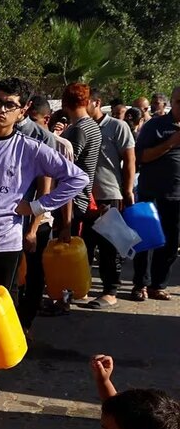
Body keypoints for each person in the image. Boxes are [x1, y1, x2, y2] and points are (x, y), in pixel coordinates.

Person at [0, 77, 87, 406]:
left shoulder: (30, 149)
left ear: (22, 111)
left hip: (4, 241)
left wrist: (36, 208)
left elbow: (77, 178)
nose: (1, 110)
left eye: (10, 105)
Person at [86, 86, 137, 310]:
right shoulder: (81, 127)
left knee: (109, 247)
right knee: (85, 245)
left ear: (96, 103)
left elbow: (129, 161)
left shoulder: (118, 126)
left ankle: (110, 292)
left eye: (84, 103)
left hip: (109, 195)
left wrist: (127, 192)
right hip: (84, 197)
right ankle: (80, 287)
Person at [129, 86, 180, 302]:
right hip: (152, 194)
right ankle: (140, 284)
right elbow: (140, 157)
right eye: (179, 102)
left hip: (177, 197)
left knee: (171, 244)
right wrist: (170, 143)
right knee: (146, 241)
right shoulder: (156, 126)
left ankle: (159, 285)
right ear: (172, 103)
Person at [62, 83, 102, 246]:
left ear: (65, 104)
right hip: (82, 197)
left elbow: (66, 170)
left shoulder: (79, 130)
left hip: (73, 201)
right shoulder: (92, 126)